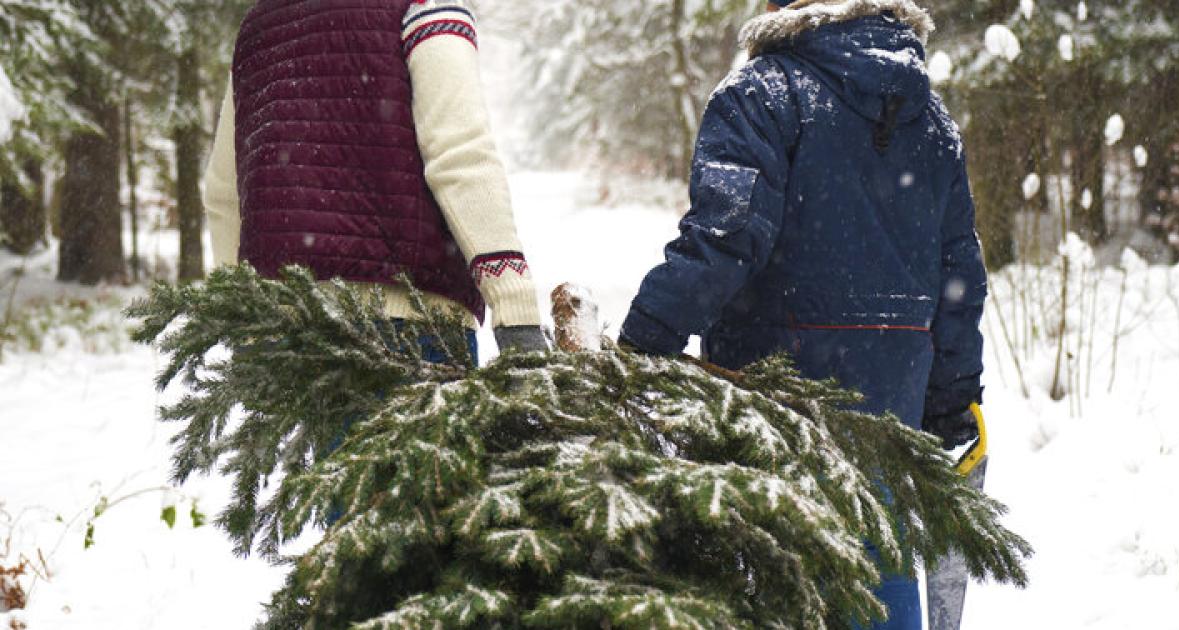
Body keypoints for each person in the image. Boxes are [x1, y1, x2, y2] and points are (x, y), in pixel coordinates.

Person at [618, 1, 988, 628]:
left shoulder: (760, 94)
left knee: (775, 588)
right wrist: (951, 399)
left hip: (774, 420)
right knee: (880, 573)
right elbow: (959, 276)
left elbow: (725, 237)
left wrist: (641, 344)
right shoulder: (930, 119)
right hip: (889, 428)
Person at [202, 0, 549, 360]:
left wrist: (244, 319)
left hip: (285, 331)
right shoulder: (424, 4)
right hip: (408, 325)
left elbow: (223, 193)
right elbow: (460, 153)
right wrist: (514, 306)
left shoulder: (260, 25)